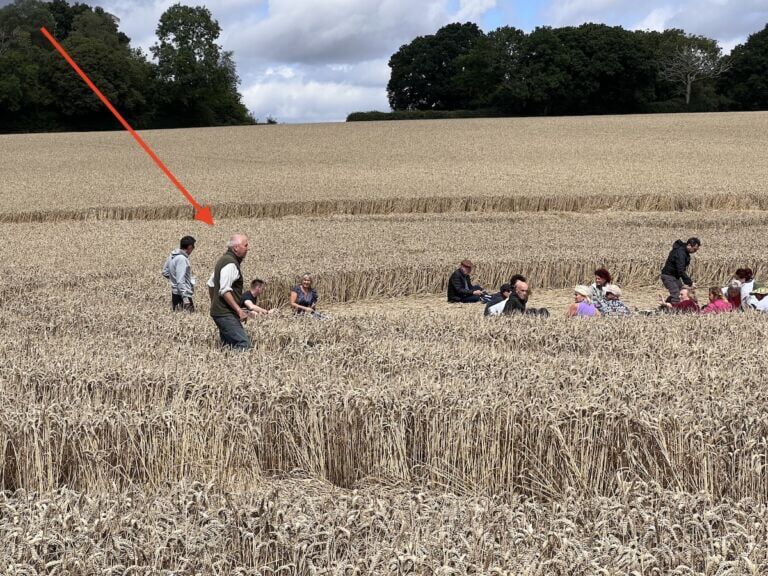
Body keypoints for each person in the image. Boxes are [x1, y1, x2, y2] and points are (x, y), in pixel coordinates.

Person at [209, 234, 251, 350]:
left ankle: (224, 366)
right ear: (236, 248)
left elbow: (211, 283)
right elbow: (225, 290)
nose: (248, 248)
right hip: (225, 313)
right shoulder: (230, 263)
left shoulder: (223, 260)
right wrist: (239, 310)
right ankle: (238, 367)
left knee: (228, 347)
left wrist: (215, 304)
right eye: (245, 245)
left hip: (221, 312)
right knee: (243, 344)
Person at [660, 237, 701, 303]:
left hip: (674, 276)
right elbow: (680, 270)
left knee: (682, 293)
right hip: (668, 276)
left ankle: (666, 306)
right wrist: (690, 283)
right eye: (695, 249)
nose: (695, 251)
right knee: (677, 296)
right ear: (689, 245)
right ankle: (673, 312)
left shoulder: (683, 251)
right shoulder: (680, 253)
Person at [162, 235, 196, 312]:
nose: (193, 249)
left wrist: (174, 278)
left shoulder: (172, 255)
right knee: (188, 320)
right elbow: (180, 280)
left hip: (175, 294)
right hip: (183, 295)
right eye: (193, 247)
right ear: (189, 247)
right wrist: (185, 299)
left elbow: (165, 272)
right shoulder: (182, 259)